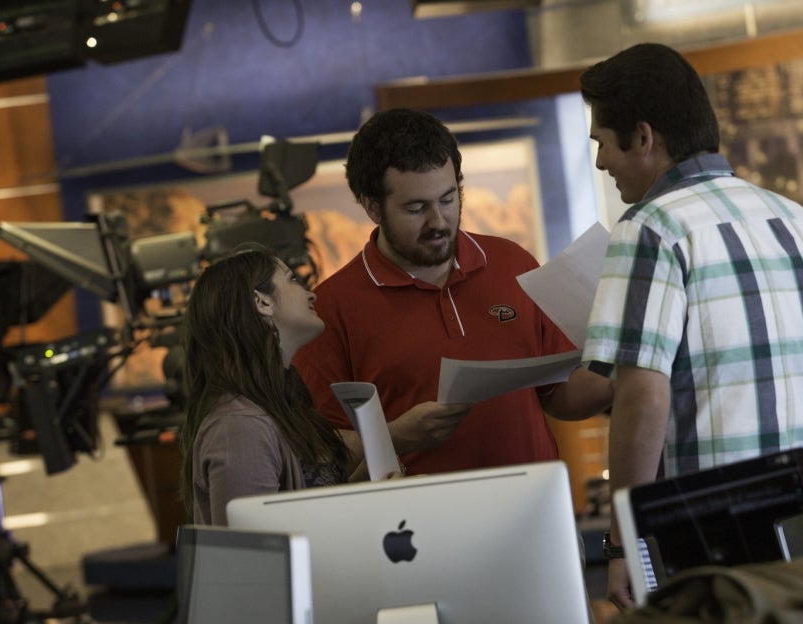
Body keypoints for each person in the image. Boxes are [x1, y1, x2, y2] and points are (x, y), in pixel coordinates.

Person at [578, 42, 803, 609]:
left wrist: (624, 546)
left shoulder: (651, 228)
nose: (601, 163)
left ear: (642, 136)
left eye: (602, 144)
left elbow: (642, 396)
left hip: (711, 548)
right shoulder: (797, 221)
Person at [294, 108, 612, 476]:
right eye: (415, 208)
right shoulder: (332, 309)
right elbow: (316, 450)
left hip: (538, 505)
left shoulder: (512, 262)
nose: (438, 221)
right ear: (371, 206)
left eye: (448, 199)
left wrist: (631, 368)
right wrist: (394, 436)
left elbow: (560, 396)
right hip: (417, 525)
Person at [180, 244, 356, 526]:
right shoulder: (239, 427)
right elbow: (253, 558)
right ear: (262, 302)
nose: (311, 293)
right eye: (293, 280)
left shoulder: (280, 402)